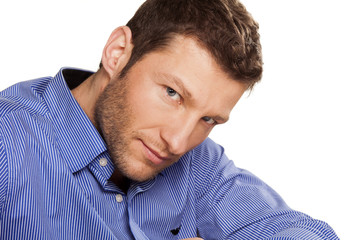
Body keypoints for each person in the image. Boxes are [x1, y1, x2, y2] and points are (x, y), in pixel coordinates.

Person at [0, 0, 338, 239]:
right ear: (118, 53)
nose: (178, 142)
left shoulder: (198, 163)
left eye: (208, 118)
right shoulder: (8, 142)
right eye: (172, 93)